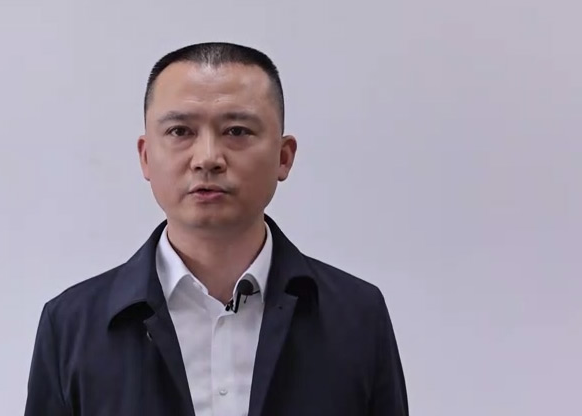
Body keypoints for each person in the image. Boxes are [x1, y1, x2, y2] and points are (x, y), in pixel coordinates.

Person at [24, 42, 409, 416]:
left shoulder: (357, 315)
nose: (207, 158)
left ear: (283, 156)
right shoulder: (71, 325)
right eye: (180, 132)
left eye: (237, 131)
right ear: (146, 156)